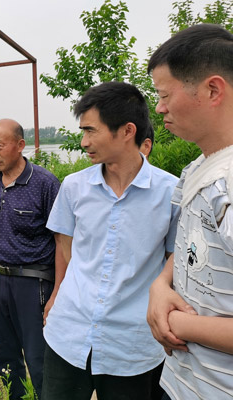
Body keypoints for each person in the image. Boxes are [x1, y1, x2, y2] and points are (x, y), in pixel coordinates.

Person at [42, 81, 180, 400]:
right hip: (69, 334)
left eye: (91, 131)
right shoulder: (74, 187)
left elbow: (174, 262)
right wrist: (57, 294)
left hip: (132, 344)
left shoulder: (170, 193)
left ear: (127, 131)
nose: (84, 141)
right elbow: (66, 250)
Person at [146, 24, 233, 399]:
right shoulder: (198, 168)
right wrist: (160, 285)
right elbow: (188, 246)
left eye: (165, 94)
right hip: (183, 381)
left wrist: (177, 322)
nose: (159, 107)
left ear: (213, 90)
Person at [0, 118, 63, 399]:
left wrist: (58, 291)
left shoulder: (45, 183)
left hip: (32, 282)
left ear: (20, 145)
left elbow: (62, 240)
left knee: (39, 359)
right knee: (4, 356)